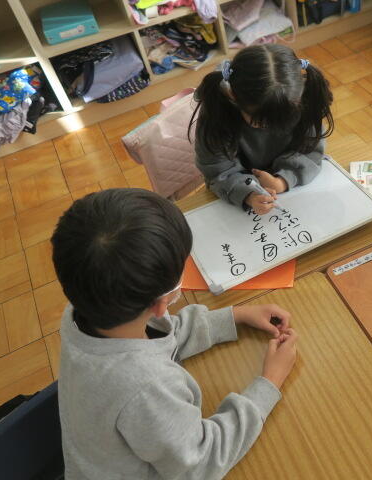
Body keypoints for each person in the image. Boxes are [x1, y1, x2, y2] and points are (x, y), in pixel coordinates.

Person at [52, 188, 298, 478]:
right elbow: (201, 461)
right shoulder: (146, 387)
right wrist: (270, 382)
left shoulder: (85, 306)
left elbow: (158, 335)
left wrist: (235, 316)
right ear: (162, 302)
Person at [191, 44, 334, 214]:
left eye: (283, 120)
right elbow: (217, 172)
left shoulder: (304, 100)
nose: (271, 127)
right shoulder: (216, 113)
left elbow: (311, 150)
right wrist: (248, 194)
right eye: (261, 122)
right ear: (233, 96)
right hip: (236, 187)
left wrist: (283, 180)